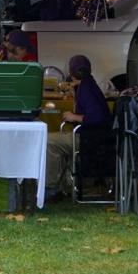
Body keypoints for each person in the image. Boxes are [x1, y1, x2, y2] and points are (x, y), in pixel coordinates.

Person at [46, 54, 111, 197]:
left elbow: (97, 116)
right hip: (94, 137)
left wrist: (73, 116)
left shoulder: (86, 89)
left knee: (48, 142)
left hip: (89, 139)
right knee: (55, 141)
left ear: (70, 72)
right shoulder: (87, 84)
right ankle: (65, 185)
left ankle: (50, 188)